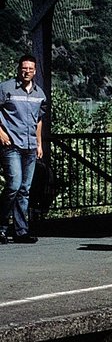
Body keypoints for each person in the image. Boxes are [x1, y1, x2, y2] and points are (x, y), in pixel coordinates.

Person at [0, 55, 48, 245]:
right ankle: (1, 227)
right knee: (13, 185)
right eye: (24, 68)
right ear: (19, 69)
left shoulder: (39, 94)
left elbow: (38, 120)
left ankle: (21, 231)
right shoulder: (5, 88)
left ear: (35, 71)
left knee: (24, 190)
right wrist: (0, 133)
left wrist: (39, 144)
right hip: (11, 144)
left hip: (30, 146)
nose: (27, 71)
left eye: (30, 68)